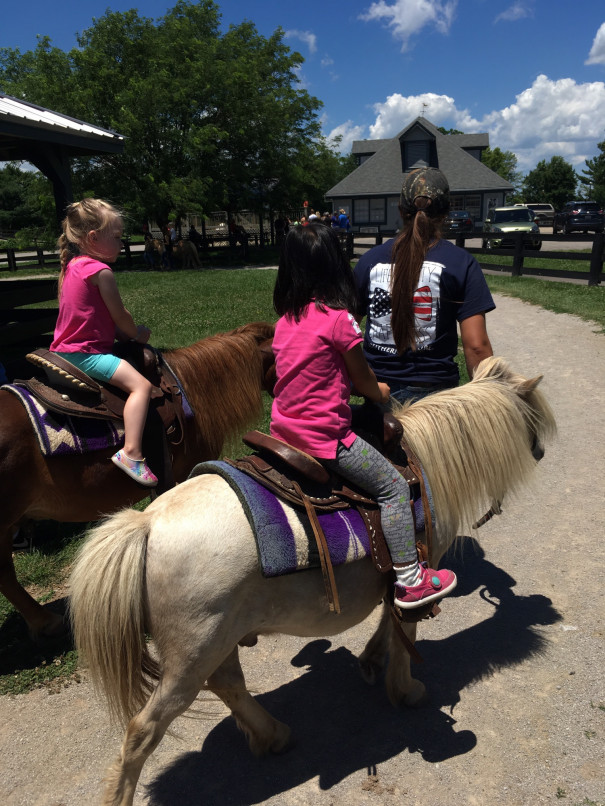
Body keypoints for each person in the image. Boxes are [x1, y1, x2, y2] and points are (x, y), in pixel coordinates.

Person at [270, 223, 456, 610]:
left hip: (286, 426)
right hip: (325, 435)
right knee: (392, 486)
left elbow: (312, 371)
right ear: (336, 267)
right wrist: (380, 391)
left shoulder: (285, 321)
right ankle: (410, 579)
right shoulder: (339, 320)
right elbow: (366, 382)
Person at [354, 167, 494, 403]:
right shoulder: (462, 263)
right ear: (447, 212)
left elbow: (344, 330)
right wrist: (489, 399)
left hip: (379, 393)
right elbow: (477, 346)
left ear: (400, 210)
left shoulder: (368, 262)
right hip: (435, 397)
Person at [50, 198, 161, 487]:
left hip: (61, 351)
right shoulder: (101, 272)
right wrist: (136, 334)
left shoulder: (72, 266)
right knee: (142, 386)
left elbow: (90, 315)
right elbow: (120, 315)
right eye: (117, 236)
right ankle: (132, 452)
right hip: (86, 354)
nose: (121, 242)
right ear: (93, 237)